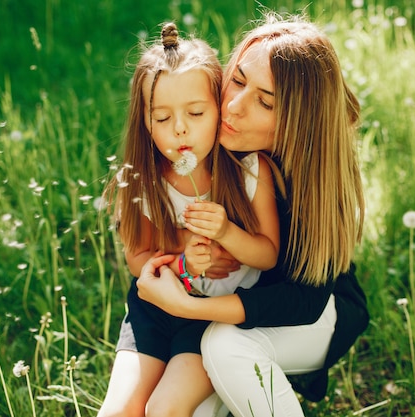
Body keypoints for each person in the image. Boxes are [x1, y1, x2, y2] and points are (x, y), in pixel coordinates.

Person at [135, 13, 369, 417]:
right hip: (223, 304)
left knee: (224, 346)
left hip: (308, 316)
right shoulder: (208, 137)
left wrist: (189, 308)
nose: (234, 106)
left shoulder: (313, 179)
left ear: (299, 121)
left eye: (265, 101)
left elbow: (302, 301)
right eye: (238, 80)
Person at [97, 22, 279, 417]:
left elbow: (267, 255)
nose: (179, 128)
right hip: (155, 310)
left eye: (195, 113)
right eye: (161, 118)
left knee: (164, 409)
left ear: (219, 106)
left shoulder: (250, 172)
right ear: (144, 122)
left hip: (212, 321)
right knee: (119, 411)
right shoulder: (142, 181)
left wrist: (227, 232)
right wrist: (182, 257)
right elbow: (137, 258)